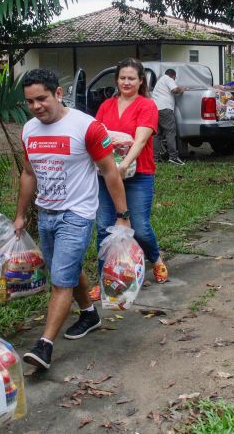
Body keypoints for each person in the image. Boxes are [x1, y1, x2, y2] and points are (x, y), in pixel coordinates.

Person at [16, 68, 130, 370]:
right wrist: (19, 216)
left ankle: (45, 346)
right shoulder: (29, 130)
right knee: (66, 269)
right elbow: (28, 174)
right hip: (46, 213)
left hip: (77, 215)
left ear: (58, 93)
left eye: (41, 98)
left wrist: (123, 215)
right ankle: (89, 313)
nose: (36, 106)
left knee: (60, 281)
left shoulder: (86, 127)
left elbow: (109, 171)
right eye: (30, 101)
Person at [91, 57, 167, 302]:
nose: (126, 82)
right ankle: (105, 279)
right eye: (122, 77)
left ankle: (155, 258)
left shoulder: (147, 106)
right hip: (106, 176)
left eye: (131, 78)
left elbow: (141, 139)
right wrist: (110, 169)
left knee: (141, 228)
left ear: (140, 81)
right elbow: (99, 138)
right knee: (104, 227)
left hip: (138, 174)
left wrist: (123, 166)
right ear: (117, 80)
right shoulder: (105, 106)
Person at [151, 68, 185, 165]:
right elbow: (175, 90)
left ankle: (155, 158)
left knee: (156, 135)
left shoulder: (160, 81)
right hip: (165, 109)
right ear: (173, 76)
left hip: (155, 109)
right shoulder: (168, 79)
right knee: (170, 133)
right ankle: (173, 157)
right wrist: (182, 89)